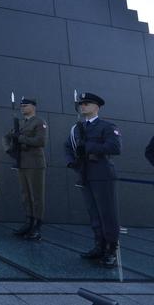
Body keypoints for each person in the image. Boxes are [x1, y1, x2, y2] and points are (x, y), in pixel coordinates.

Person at [65, 92, 122, 268]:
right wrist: (72, 162)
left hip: (102, 174)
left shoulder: (106, 126)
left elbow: (115, 147)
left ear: (97, 107)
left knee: (107, 213)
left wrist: (89, 146)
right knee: (94, 213)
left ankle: (111, 249)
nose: (83, 106)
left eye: (87, 103)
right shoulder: (77, 128)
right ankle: (99, 246)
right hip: (85, 173)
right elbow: (67, 146)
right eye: (81, 104)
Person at [3, 97, 47, 241]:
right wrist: (10, 149)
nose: (22, 107)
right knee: (25, 195)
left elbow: (41, 141)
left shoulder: (39, 122)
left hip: (35, 163)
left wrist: (20, 138)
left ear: (33, 107)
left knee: (36, 196)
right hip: (21, 162)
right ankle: (28, 222)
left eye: (25, 105)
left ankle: (37, 225)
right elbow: (6, 137)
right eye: (21, 105)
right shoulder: (20, 123)